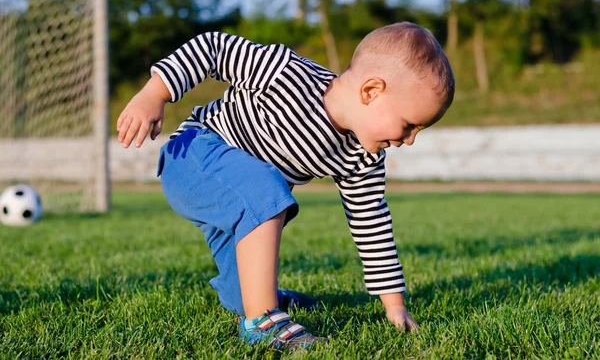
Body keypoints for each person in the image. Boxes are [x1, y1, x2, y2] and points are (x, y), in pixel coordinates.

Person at [116, 22, 455, 351]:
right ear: (371, 91)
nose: (408, 140)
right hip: (194, 157)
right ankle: (265, 323)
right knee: (268, 188)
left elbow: (373, 227)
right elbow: (213, 48)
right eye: (409, 125)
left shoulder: (360, 158)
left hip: (241, 205)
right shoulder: (286, 73)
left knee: (241, 295)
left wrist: (394, 306)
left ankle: (268, 301)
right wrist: (154, 93)